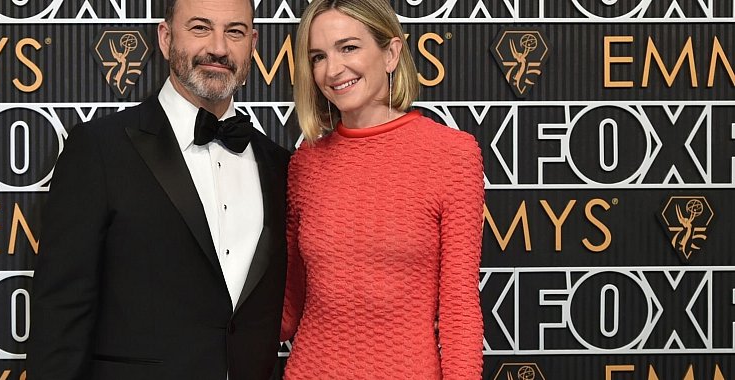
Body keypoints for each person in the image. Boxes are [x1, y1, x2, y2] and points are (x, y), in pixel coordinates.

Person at [26, 0, 291, 379]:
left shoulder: (279, 165)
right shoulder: (100, 149)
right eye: (200, 28)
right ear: (165, 38)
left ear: (252, 43)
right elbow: (61, 315)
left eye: (234, 31)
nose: (218, 47)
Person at [280, 0, 485, 378]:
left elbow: (459, 307)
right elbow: (288, 307)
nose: (333, 69)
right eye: (318, 56)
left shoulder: (452, 155)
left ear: (391, 53)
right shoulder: (305, 163)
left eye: (349, 48)